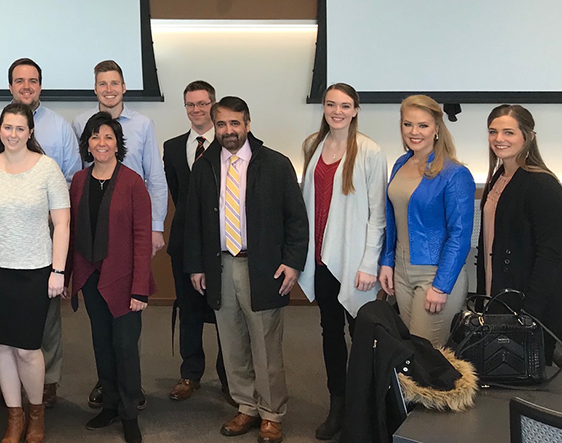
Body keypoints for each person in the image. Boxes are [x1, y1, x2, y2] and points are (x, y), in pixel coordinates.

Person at [184, 96, 307, 443]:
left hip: (263, 267)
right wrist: (196, 265)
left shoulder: (276, 164)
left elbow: (297, 219)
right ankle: (246, 406)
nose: (228, 131)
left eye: (235, 123)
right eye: (221, 124)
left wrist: (293, 262)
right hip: (221, 265)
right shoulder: (205, 166)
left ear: (248, 124)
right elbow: (193, 220)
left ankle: (271, 413)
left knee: (266, 345)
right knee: (232, 342)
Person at [0, 102, 71, 443]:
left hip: (35, 271)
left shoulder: (47, 169)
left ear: (30, 132)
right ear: (0, 130)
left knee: (27, 349)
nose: (13, 134)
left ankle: (36, 414)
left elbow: (62, 222)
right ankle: (14, 416)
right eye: (7, 127)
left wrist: (58, 270)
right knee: (1, 348)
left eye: (19, 128)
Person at [0, 58, 78, 406]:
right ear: (10, 86)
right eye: (19, 81)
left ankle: (45, 386)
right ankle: (14, 404)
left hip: (43, 237)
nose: (26, 86)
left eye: (32, 81)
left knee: (41, 327)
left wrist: (58, 263)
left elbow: (71, 179)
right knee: (3, 338)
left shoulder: (60, 129)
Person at [297, 84, 387, 441]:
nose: (337, 110)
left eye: (345, 105)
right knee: (329, 333)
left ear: (355, 110)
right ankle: (338, 404)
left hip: (353, 261)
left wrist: (369, 263)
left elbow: (377, 215)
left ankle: (362, 410)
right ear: (324, 107)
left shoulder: (369, 151)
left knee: (359, 334)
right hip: (320, 259)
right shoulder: (312, 146)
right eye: (331, 104)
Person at [74, 60, 166, 409]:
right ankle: (109, 388)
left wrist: (157, 226)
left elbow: (155, 178)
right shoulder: (81, 124)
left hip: (130, 233)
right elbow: (79, 183)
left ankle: (130, 393)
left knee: (125, 332)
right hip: (94, 244)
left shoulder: (143, 125)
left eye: (115, 83)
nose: (109, 89)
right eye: (102, 83)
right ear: (95, 88)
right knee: (101, 333)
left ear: (124, 87)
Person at [67, 112, 153, 443]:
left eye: (108, 137)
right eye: (95, 137)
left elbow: (143, 237)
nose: (101, 143)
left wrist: (141, 288)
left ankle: (130, 412)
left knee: (125, 347)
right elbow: (73, 232)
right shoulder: (78, 181)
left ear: (118, 143)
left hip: (125, 280)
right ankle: (110, 405)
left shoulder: (132, 181)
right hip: (91, 278)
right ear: (87, 143)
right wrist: (70, 276)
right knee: (102, 345)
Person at [379, 95, 474, 348]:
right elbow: (394, 219)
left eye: (423, 125)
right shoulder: (401, 163)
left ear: (437, 129)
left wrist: (441, 286)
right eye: (407, 124)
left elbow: (460, 236)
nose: (414, 132)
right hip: (401, 271)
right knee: (409, 351)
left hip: (434, 274)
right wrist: (387, 262)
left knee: (426, 356)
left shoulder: (455, 174)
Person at [162, 80, 229, 404]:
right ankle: (190, 373)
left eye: (202, 104)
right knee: (188, 310)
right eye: (191, 104)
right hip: (184, 243)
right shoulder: (173, 147)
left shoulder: (231, 143)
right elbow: (178, 194)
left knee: (226, 313)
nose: (196, 110)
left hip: (223, 243)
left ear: (213, 106)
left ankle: (230, 376)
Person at [478, 104, 562, 356]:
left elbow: (551, 256)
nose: (499, 139)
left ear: (527, 136)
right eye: (493, 132)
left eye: (508, 132)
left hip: (528, 309)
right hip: (498, 300)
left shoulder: (542, 185)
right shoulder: (498, 178)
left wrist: (529, 314)